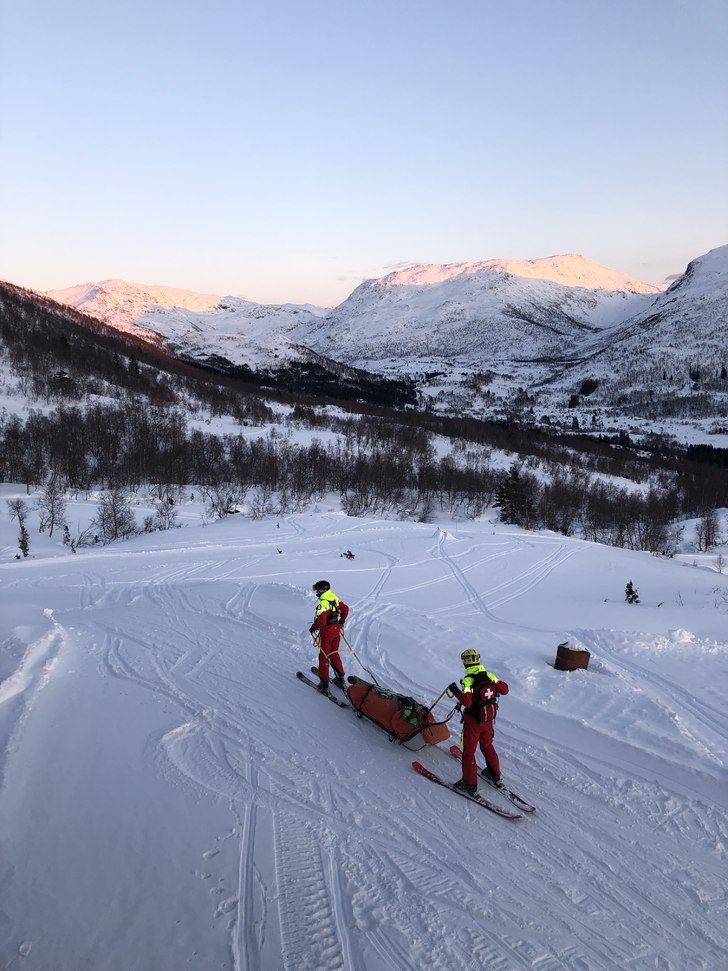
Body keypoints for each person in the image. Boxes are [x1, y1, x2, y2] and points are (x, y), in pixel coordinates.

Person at [448, 649, 509, 796]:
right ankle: (495, 775)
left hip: (473, 723)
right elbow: (505, 690)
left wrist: (456, 691)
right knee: (487, 746)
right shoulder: (489, 675)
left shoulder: (468, 680)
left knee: (469, 752)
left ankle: (468, 784)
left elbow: (467, 703)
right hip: (488, 721)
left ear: (465, 662)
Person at [310, 580, 349, 692]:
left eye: (319, 590)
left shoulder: (323, 603)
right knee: (334, 654)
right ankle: (341, 678)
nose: (317, 592)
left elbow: (321, 622)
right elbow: (345, 609)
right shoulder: (334, 597)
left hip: (327, 633)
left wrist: (313, 627)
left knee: (323, 657)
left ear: (324, 590)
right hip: (336, 631)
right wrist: (341, 622)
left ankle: (324, 683)